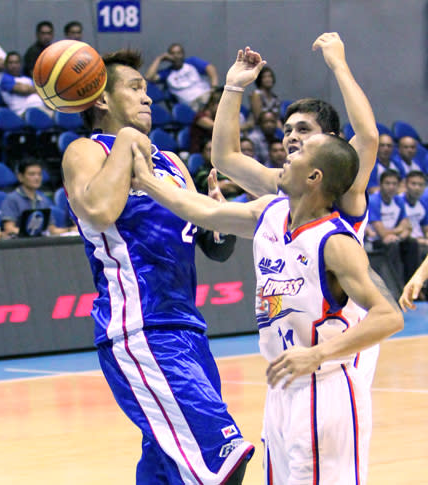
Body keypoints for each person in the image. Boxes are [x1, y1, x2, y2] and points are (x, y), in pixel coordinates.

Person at [131, 126, 403, 485]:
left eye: (300, 151)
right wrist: (148, 183)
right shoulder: (270, 212)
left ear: (314, 176)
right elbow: (202, 212)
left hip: (325, 389)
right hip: (281, 387)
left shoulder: (336, 242)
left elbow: (389, 316)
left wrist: (317, 354)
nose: (287, 153)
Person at [61, 48, 253, 484]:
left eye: (147, 90)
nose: (148, 97)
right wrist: (128, 142)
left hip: (189, 329)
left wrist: (215, 220)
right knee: (223, 459)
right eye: (135, 88)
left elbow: (212, 247)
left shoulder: (171, 163)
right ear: (102, 99)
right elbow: (98, 212)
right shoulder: (86, 151)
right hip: (141, 330)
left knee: (167, 467)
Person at [210, 34, 381, 387]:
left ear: (331, 141)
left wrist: (338, 64)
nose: (290, 137)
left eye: (303, 129)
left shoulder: (342, 185)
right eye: (288, 130)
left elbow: (367, 138)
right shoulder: (284, 184)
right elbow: (225, 158)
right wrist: (232, 87)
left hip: (342, 337)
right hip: (297, 333)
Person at [367, 169, 420, 299]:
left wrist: (399, 235)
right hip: (375, 242)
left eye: (394, 184)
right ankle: (397, 289)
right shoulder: (374, 201)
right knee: (392, 245)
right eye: (387, 183)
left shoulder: (398, 201)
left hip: (394, 238)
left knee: (412, 244)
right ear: (380, 184)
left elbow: (407, 226)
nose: (391, 187)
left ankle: (413, 287)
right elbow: (382, 233)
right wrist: (398, 230)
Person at [0, 158, 75, 237]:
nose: (37, 178)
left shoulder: (43, 200)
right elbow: (9, 229)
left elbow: (51, 230)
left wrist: (70, 230)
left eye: (39, 174)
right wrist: (32, 233)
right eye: (32, 174)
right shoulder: (12, 199)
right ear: (20, 177)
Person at [145, 43, 219, 111]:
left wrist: (214, 88)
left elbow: (210, 68)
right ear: (168, 56)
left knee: (221, 100)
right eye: (172, 54)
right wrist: (159, 58)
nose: (176, 56)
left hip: (207, 96)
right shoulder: (167, 73)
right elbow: (149, 77)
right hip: (192, 105)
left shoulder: (192, 62)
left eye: (179, 53)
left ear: (183, 54)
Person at [0, 51, 54, 117]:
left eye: (16, 62)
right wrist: (33, 89)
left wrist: (30, 89)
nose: (14, 65)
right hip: (22, 113)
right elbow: (23, 89)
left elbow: (40, 92)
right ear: (6, 65)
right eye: (11, 63)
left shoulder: (27, 79)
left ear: (20, 64)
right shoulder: (5, 79)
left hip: (39, 109)